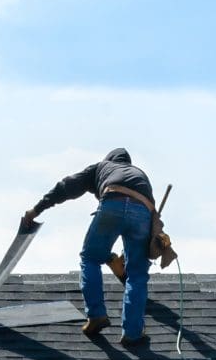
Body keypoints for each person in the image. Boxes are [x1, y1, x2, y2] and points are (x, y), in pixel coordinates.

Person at [24, 149, 165, 347]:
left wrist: (36, 209)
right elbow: (141, 219)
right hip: (143, 211)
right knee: (137, 275)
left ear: (109, 160)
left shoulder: (102, 167)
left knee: (90, 258)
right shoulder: (139, 175)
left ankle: (96, 315)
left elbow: (66, 187)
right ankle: (132, 333)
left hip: (112, 203)